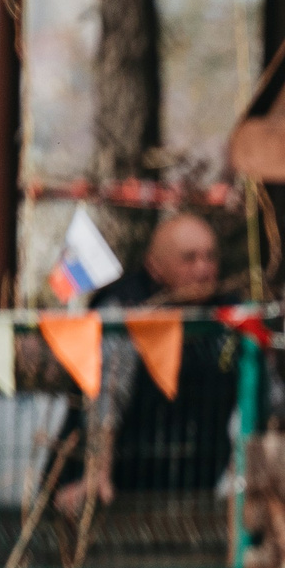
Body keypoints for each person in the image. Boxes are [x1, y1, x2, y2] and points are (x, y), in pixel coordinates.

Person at [60, 212, 236, 514]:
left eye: (210, 257)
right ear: (155, 267)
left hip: (197, 488)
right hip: (119, 486)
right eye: (189, 259)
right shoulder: (125, 309)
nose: (203, 269)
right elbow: (107, 396)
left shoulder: (230, 315)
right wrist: (97, 473)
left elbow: (262, 395)